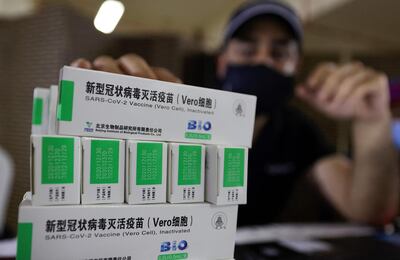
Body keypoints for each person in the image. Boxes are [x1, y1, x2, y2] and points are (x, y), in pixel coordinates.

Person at [72, 0, 399, 226]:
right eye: (247, 48)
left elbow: (367, 209)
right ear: (222, 62)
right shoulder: (179, 110)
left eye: (279, 51)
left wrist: (372, 123)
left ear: (295, 66)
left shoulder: (296, 129)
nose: (262, 60)